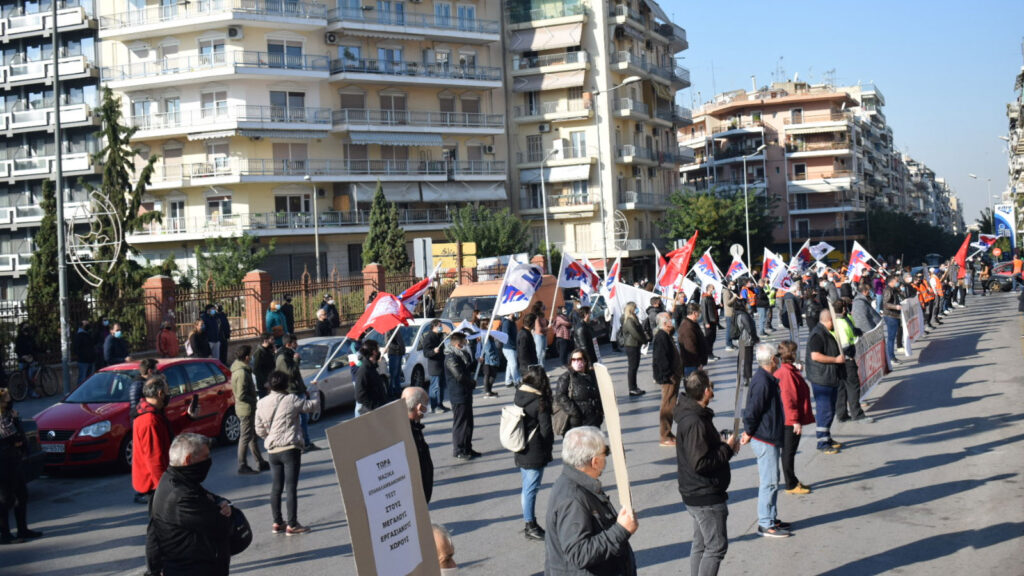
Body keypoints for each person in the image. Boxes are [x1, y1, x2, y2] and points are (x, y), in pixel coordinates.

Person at [544, 426, 638, 576]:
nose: (607, 456)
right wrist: (621, 530)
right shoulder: (572, 499)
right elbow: (579, 554)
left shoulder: (577, 483)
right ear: (595, 461)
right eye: (605, 452)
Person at [674, 369, 738, 576]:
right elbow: (700, 462)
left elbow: (699, 451)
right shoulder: (694, 421)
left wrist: (719, 443)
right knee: (715, 547)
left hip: (696, 493)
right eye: (711, 386)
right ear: (705, 391)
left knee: (701, 545)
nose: (713, 390)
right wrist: (726, 449)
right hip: (704, 495)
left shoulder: (694, 415)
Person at [146, 433, 233, 576]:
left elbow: (205, 494)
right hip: (193, 569)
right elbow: (221, 526)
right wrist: (228, 512)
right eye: (205, 457)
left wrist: (220, 502)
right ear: (188, 459)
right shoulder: (180, 496)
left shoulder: (174, 479)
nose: (209, 461)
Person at [255, 370, 320, 535]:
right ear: (285, 385)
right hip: (290, 448)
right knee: (291, 487)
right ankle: (292, 524)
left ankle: (277, 522)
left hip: (272, 450)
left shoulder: (261, 403)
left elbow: (259, 429)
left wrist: (270, 437)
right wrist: (314, 391)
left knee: (276, 487)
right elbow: (312, 406)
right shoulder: (291, 400)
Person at [740, 344, 790, 538]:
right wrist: (749, 432)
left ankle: (771, 517)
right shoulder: (763, 381)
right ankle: (765, 522)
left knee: (773, 480)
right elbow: (752, 411)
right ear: (772, 360)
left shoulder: (765, 378)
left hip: (768, 435)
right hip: (764, 437)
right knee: (769, 481)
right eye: (776, 357)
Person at [515, 366, 554, 542]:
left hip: (521, 447)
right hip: (535, 450)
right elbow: (546, 430)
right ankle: (530, 524)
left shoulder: (519, 396)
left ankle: (529, 520)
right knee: (531, 489)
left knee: (526, 488)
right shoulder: (540, 401)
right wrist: (549, 447)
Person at [0, 388, 43, 544]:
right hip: (4, 462)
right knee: (6, 499)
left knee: (21, 495)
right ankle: (4, 534)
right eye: (7, 399)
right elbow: (11, 436)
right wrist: (16, 434)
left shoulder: (9, 414)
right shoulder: (2, 417)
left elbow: (17, 437)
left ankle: (22, 529)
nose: (10, 401)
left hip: (13, 459)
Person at [773, 340, 815, 496]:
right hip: (789, 421)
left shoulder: (785, 371)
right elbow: (789, 399)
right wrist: (795, 420)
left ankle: (792, 480)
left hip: (788, 419)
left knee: (788, 452)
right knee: (789, 452)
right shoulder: (786, 374)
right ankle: (790, 483)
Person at [805, 310, 844, 454]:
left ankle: (827, 437)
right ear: (828, 320)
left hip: (828, 376)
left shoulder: (823, 332)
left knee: (830, 409)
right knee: (824, 410)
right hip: (821, 378)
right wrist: (835, 360)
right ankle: (822, 442)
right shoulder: (818, 334)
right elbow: (815, 356)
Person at [133, 376, 172, 506]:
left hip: (154, 482)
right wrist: (164, 487)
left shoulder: (153, 413)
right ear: (160, 393)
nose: (168, 395)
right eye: (167, 391)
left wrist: (188, 417)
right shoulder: (149, 420)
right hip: (154, 484)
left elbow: (167, 431)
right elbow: (154, 458)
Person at [275, 335, 319, 451]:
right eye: (295, 343)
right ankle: (300, 444)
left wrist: (304, 389)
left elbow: (297, 376)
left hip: (298, 390)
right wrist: (296, 360)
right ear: (288, 344)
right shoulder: (283, 357)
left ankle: (306, 442)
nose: (297, 345)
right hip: (291, 392)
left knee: (304, 418)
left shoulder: (289, 354)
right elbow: (290, 374)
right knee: (298, 419)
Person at [832, 300, 871, 423]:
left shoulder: (839, 320)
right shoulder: (841, 323)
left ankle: (842, 414)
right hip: (846, 358)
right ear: (843, 309)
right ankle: (857, 413)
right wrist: (850, 355)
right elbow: (845, 343)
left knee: (841, 387)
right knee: (853, 386)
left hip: (838, 358)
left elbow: (853, 330)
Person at [232, 345, 267, 475]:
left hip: (246, 408)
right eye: (250, 355)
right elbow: (241, 395)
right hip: (245, 409)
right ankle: (242, 464)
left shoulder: (241, 369)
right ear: (246, 357)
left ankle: (260, 461)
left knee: (252, 436)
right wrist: (253, 399)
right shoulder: (241, 373)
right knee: (245, 437)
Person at [446, 333, 479, 461]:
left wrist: (476, 361)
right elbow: (459, 376)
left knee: (469, 422)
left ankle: (467, 447)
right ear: (458, 344)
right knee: (460, 423)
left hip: (466, 393)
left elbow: (468, 368)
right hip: (458, 394)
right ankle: (459, 449)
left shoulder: (461, 355)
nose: (466, 345)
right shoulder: (450, 358)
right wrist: (471, 383)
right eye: (464, 343)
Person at [556, 348, 604, 435]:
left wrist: (600, 412)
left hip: (594, 420)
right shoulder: (566, 377)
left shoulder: (592, 375)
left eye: (579, 359)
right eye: (573, 360)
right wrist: (574, 412)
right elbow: (560, 396)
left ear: (585, 361)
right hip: (576, 423)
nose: (576, 362)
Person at [651, 312, 681, 447]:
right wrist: (667, 375)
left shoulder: (666, 335)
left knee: (671, 404)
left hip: (673, 375)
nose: (672, 321)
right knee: (667, 405)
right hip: (669, 377)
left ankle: (668, 432)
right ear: (664, 323)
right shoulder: (661, 337)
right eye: (670, 320)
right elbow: (660, 359)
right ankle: (664, 435)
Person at [402, 387, 433, 503]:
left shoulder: (413, 426)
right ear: (419, 408)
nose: (428, 407)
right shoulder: (409, 433)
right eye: (427, 403)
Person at [619, 302, 648, 397]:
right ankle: (632, 388)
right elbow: (635, 333)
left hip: (635, 345)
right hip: (631, 345)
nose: (636, 309)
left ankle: (634, 386)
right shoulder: (629, 320)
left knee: (634, 367)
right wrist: (644, 340)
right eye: (635, 308)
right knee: (632, 367)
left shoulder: (632, 318)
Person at [422, 320, 449, 412]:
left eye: (441, 325)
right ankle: (434, 406)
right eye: (439, 326)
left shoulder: (440, 336)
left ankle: (440, 404)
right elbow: (426, 353)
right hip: (434, 366)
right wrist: (433, 351)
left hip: (441, 364)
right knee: (435, 387)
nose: (441, 327)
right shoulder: (429, 337)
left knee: (441, 386)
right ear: (434, 326)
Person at [354, 341, 388, 415]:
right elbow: (359, 395)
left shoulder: (372, 367)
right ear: (374, 352)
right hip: (371, 413)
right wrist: (373, 407)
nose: (379, 352)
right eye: (378, 349)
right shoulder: (364, 370)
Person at [678, 302, 710, 378]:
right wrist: (698, 364)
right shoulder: (687, 327)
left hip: (695, 363)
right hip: (691, 364)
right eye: (699, 313)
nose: (699, 315)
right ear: (694, 313)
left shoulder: (692, 323)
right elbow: (690, 348)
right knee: (695, 386)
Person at [881, 274, 903, 367]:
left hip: (895, 315)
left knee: (894, 336)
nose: (897, 282)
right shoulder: (887, 290)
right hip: (890, 316)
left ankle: (892, 356)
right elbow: (886, 304)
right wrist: (896, 306)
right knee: (891, 338)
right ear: (892, 282)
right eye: (896, 280)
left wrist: (900, 290)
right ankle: (891, 357)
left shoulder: (893, 289)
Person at [251, 333, 276, 398]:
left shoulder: (269, 351)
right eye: (272, 340)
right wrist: (265, 382)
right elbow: (256, 370)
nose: (274, 341)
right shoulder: (259, 353)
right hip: (264, 386)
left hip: (271, 383)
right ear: (265, 341)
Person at [500, 313, 521, 388]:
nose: (517, 314)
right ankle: (517, 380)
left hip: (511, 347)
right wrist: (513, 343)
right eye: (515, 312)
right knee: (513, 365)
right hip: (508, 347)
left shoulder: (511, 322)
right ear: (510, 313)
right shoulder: (507, 322)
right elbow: (506, 335)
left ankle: (508, 381)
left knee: (510, 365)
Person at [73, 321, 97, 385]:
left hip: (90, 360)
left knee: (89, 379)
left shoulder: (88, 334)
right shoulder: (79, 335)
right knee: (82, 379)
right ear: (82, 326)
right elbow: (76, 348)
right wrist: (82, 356)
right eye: (86, 324)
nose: (88, 325)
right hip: (83, 361)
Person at [700, 285, 720, 362]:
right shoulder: (705, 298)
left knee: (713, 338)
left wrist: (719, 306)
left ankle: (711, 353)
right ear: (709, 289)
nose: (714, 290)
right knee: (709, 339)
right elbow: (704, 311)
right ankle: (708, 355)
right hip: (709, 321)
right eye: (713, 288)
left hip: (713, 320)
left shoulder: (711, 297)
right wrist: (706, 322)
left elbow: (712, 308)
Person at [480, 333, 502, 398]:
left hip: (489, 359)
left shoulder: (487, 336)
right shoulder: (485, 335)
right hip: (490, 359)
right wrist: (493, 356)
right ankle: (487, 391)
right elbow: (488, 348)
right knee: (491, 375)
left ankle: (488, 391)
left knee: (490, 375)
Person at [722, 283, 738, 352]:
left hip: (732, 313)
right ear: (728, 284)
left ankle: (730, 343)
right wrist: (734, 297)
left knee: (731, 329)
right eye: (731, 284)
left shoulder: (730, 291)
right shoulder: (726, 292)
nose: (733, 285)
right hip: (729, 313)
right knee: (729, 329)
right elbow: (728, 303)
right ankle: (728, 344)